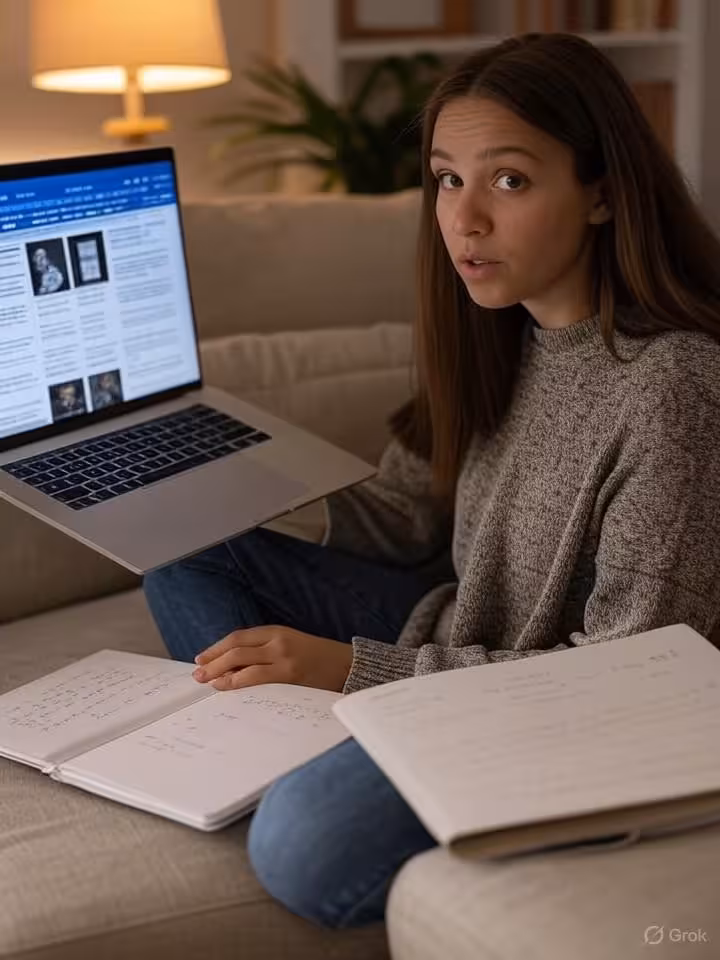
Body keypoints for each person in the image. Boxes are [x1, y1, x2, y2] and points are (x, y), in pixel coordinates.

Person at [143, 32, 720, 929]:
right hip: (454, 642)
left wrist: (357, 672)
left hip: (567, 715)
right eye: (449, 178)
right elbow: (406, 518)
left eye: (510, 180)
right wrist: (235, 473)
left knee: (303, 841)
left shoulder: (675, 386)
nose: (465, 219)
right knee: (180, 555)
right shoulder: (496, 327)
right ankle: (285, 744)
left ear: (603, 193)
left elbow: (628, 679)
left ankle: (293, 757)